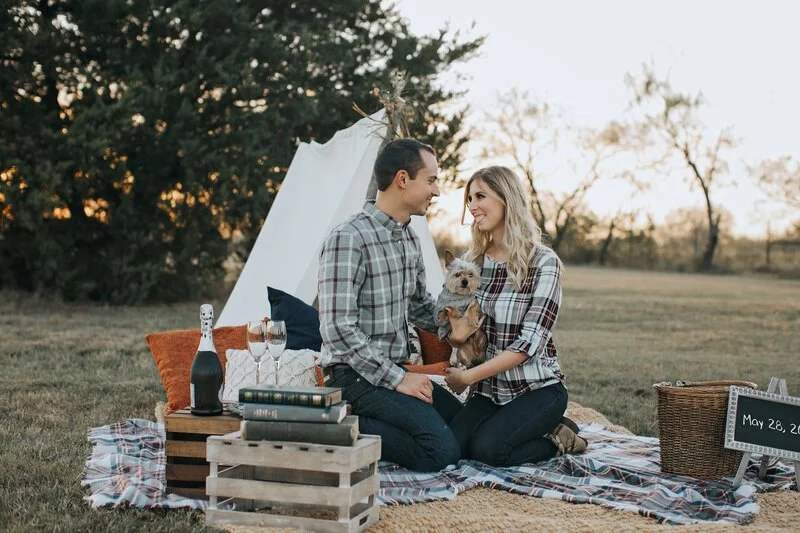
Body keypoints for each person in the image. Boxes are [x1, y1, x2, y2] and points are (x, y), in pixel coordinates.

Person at [317, 138, 462, 472]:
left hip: (394, 373)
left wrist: (461, 327)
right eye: (431, 180)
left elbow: (420, 307)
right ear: (402, 179)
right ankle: (337, 425)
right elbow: (337, 329)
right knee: (441, 451)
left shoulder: (409, 237)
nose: (436, 190)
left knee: (461, 425)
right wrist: (399, 379)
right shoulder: (348, 238)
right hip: (353, 377)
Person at [444, 165, 587, 467]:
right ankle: (506, 426)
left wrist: (467, 377)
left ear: (506, 199)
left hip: (536, 388)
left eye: (480, 196)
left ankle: (558, 436)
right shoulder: (472, 262)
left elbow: (528, 345)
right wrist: (456, 338)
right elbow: (454, 322)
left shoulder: (543, 263)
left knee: (489, 450)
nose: (472, 206)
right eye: (469, 198)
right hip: (489, 390)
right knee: (454, 446)